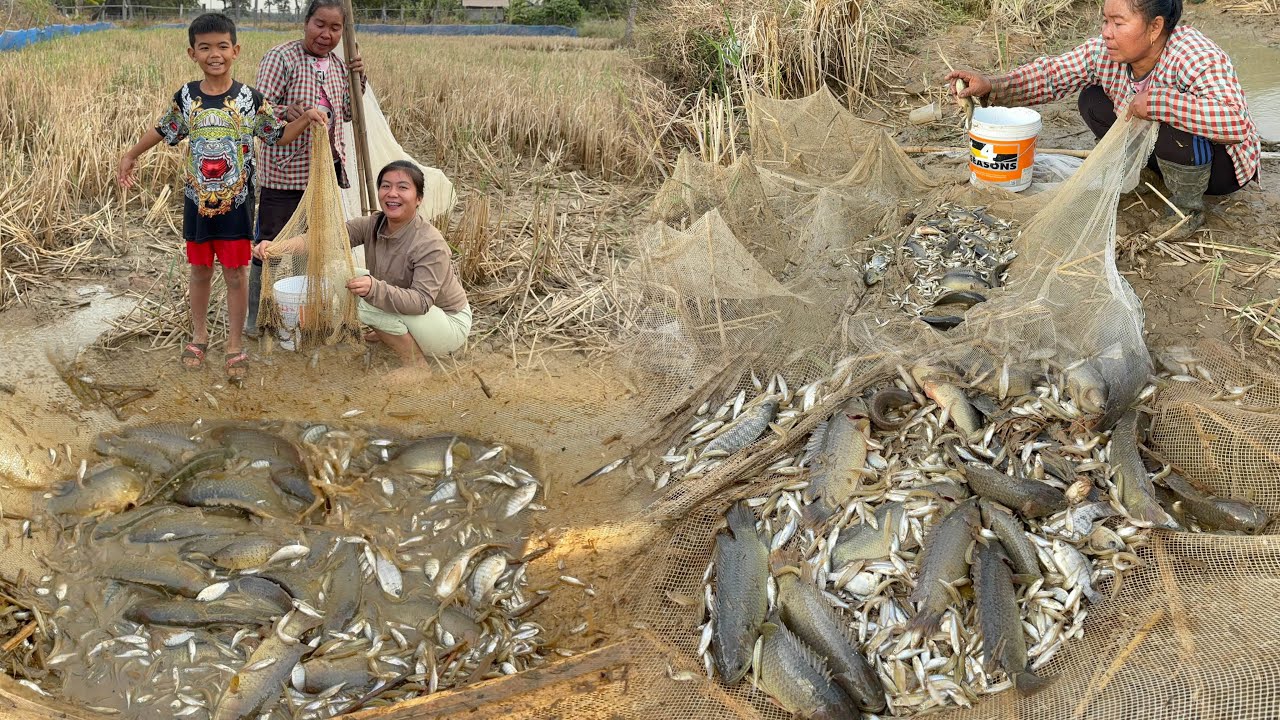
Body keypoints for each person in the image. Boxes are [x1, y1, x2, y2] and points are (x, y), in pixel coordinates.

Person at [117, 12, 325, 381]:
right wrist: (131, 154)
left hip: (237, 204)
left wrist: (306, 117)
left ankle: (234, 344)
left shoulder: (250, 99)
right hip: (198, 203)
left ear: (235, 51)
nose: (214, 54)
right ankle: (199, 337)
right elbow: (164, 128)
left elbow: (278, 135)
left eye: (222, 46)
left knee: (235, 274)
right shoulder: (187, 96)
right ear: (192, 53)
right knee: (199, 271)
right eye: (205, 47)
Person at [947, 0, 1260, 240]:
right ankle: (1148, 174)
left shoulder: (1194, 55)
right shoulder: (1104, 53)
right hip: (1161, 149)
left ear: (1155, 27)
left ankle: (1186, 210)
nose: (1107, 32)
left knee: (1171, 127)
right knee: (1093, 99)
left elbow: (1234, 123)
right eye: (1105, 21)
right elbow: (1053, 75)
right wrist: (994, 85)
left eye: (1118, 23)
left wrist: (1159, 102)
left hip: (1219, 170)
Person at [253, 161, 471, 368]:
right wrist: (278, 247)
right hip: (416, 313)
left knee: (368, 303)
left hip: (447, 323)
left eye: (402, 187)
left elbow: (421, 302)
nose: (392, 193)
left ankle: (416, 366)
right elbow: (323, 239)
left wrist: (374, 289)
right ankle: (390, 329)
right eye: (386, 186)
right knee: (336, 272)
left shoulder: (429, 243)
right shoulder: (374, 224)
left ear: (418, 199)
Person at [246, 0, 365, 336]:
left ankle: (299, 310)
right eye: (319, 24)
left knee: (313, 244)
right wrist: (286, 111)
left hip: (324, 173)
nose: (326, 34)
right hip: (285, 174)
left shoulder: (340, 66)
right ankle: (257, 318)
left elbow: (348, 113)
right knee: (271, 246)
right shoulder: (281, 57)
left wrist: (358, 77)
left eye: (335, 28)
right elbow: (259, 112)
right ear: (306, 22)